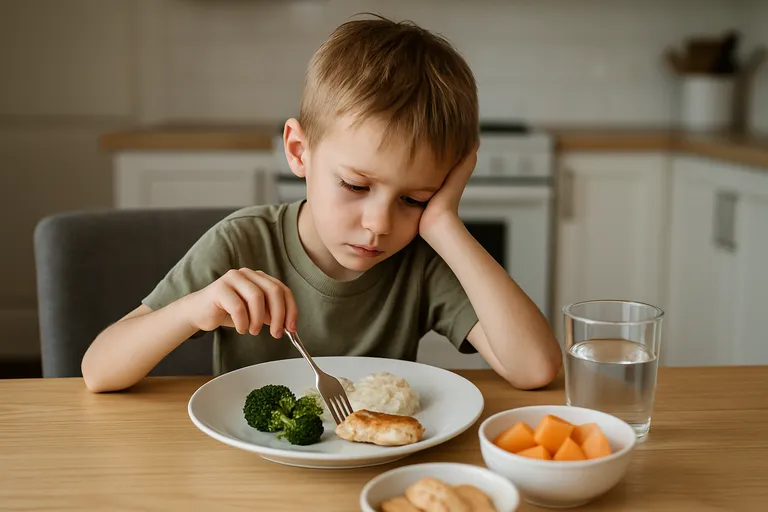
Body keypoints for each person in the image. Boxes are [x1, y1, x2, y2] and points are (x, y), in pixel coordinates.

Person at [81, 15, 562, 393]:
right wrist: (192, 309)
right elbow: (99, 370)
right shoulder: (244, 241)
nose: (378, 225)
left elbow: (535, 368)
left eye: (414, 198)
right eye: (356, 186)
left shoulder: (420, 260)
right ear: (298, 151)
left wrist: (443, 224)